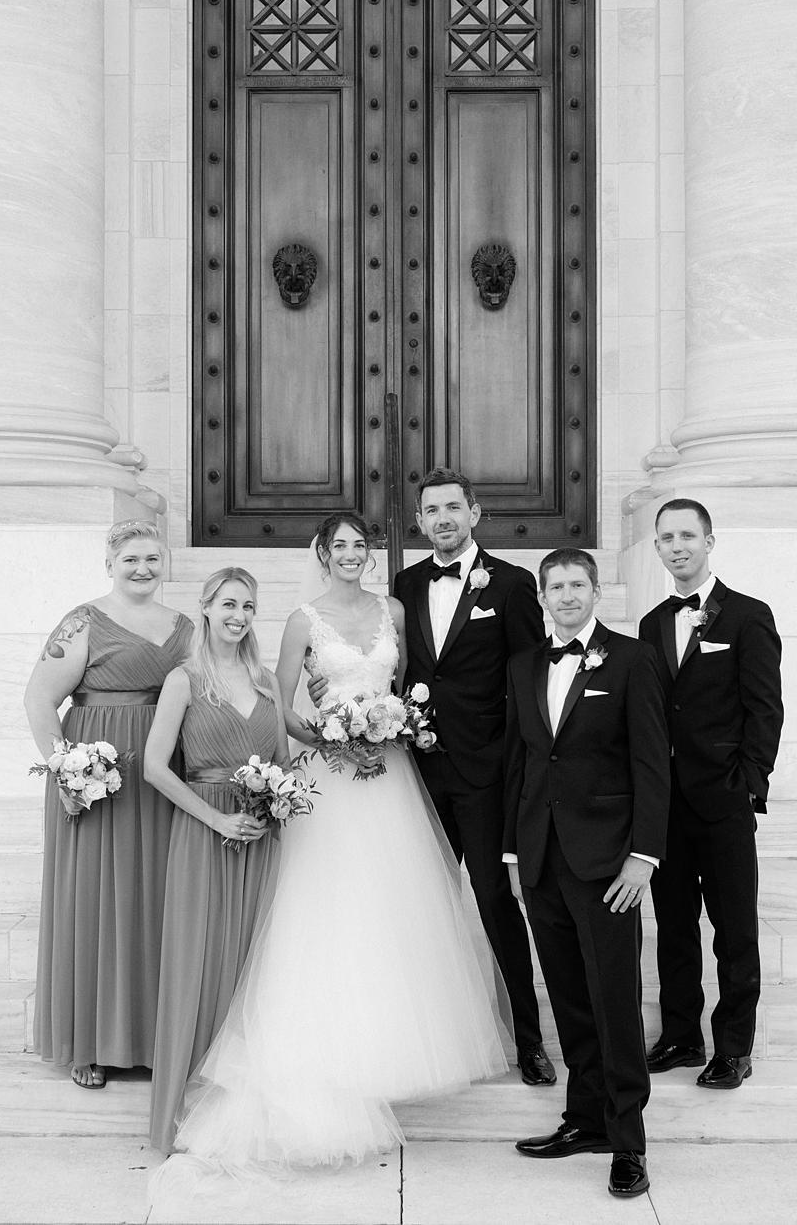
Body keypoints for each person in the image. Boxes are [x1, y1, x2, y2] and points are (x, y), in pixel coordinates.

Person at [148, 513, 507, 1200]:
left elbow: (403, 685)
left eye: (360, 546)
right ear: (321, 554)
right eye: (338, 546)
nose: (351, 555)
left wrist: (394, 723)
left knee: (391, 904)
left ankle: (393, 1043)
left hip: (389, 773)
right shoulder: (301, 619)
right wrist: (331, 738)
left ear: (372, 554)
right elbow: (277, 704)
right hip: (331, 773)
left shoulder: (393, 609)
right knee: (326, 904)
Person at [503, 549, 669, 1200]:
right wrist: (516, 858)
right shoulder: (522, 666)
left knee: (614, 1003)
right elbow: (520, 764)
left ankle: (627, 1141)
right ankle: (584, 1119)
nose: (566, 595)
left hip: (608, 866)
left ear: (594, 591)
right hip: (542, 862)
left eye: (576, 584)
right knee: (569, 999)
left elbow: (653, 766)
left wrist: (643, 855)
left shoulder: (630, 661)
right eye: (555, 586)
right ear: (542, 595)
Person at [391, 468, 555, 1086]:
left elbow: (531, 684)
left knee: (494, 903)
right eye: (431, 511)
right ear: (420, 520)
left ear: (475, 513)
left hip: (485, 777)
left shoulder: (511, 586)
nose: (442, 520)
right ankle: (420, 1039)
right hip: (417, 774)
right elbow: (396, 665)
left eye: (452, 508)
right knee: (420, 907)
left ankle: (529, 1038)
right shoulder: (404, 584)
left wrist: (520, 773)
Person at [25, 519, 194, 1090]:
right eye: (131, 560)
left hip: (163, 771)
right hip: (98, 778)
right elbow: (40, 698)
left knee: (154, 897)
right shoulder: (82, 621)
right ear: (110, 564)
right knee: (95, 899)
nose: (143, 569)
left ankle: (151, 1038)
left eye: (152, 558)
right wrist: (66, 769)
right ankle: (88, 1041)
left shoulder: (184, 626)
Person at [638, 498, 784, 1090]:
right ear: (657, 547)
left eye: (687, 536)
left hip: (723, 801)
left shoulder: (748, 616)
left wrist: (749, 783)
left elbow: (765, 707)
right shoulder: (651, 624)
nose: (677, 547)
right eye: (667, 538)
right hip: (666, 806)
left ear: (709, 541)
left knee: (733, 928)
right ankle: (680, 1035)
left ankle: (733, 1047)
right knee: (673, 925)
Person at [146, 567, 292, 1153]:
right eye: (228, 604)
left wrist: (275, 801)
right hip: (204, 831)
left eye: (249, 606)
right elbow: (156, 767)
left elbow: (283, 758)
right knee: (197, 962)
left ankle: (241, 1106)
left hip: (260, 835)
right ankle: (180, 1107)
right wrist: (216, 819)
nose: (238, 615)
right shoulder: (183, 679)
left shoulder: (265, 682)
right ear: (205, 608)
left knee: (251, 965)